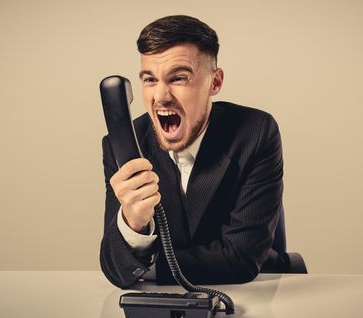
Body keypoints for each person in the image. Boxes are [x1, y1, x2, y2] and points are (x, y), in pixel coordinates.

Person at [100, 15, 283, 288]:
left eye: (179, 78)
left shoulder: (255, 132)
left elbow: (240, 259)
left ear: (215, 82)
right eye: (150, 79)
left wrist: (146, 266)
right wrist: (133, 223)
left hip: (250, 295)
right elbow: (115, 267)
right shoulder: (123, 144)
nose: (161, 96)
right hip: (156, 309)